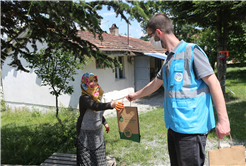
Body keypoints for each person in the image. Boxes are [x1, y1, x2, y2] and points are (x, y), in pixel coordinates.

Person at [126, 13, 230, 166]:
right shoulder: (169, 58)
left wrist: (223, 121)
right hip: (174, 127)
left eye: (150, 35)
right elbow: (156, 83)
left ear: (159, 32)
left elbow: (214, 83)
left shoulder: (192, 51)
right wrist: (135, 95)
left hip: (192, 130)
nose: (150, 40)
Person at [76, 72, 124, 166]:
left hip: (97, 133)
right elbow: (95, 107)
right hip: (85, 133)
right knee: (86, 160)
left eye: (95, 81)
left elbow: (97, 112)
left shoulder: (96, 97)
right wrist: (111, 104)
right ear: (85, 83)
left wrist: (105, 122)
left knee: (99, 159)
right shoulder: (84, 98)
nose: (94, 83)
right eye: (90, 81)